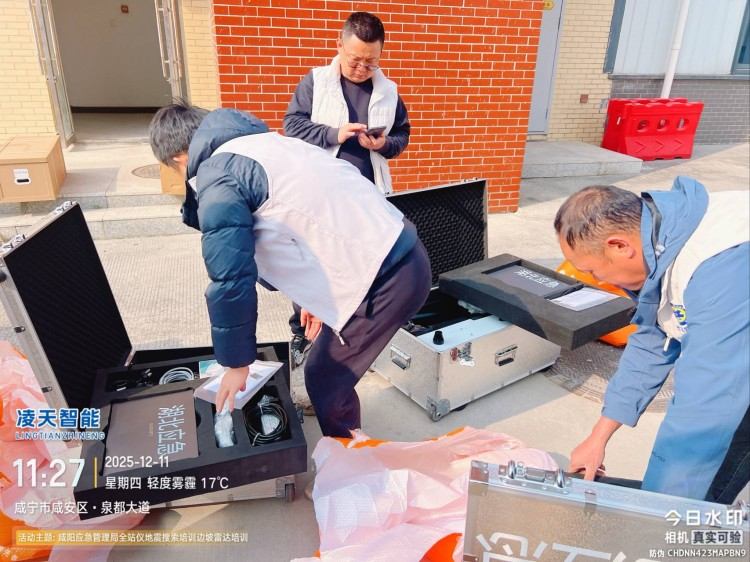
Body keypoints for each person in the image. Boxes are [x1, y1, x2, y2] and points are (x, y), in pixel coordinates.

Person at [148, 101, 431, 440]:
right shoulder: (269, 143)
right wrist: (313, 297)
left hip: (387, 277)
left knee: (325, 377)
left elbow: (230, 278)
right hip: (401, 252)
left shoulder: (217, 174)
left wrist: (237, 364)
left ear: (179, 158)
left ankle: (350, 464)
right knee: (328, 371)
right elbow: (307, 223)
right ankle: (346, 439)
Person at [554, 178, 749, 502]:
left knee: (717, 438)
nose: (597, 280)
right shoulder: (662, 241)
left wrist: (657, 514)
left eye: (594, 271)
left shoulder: (720, 268)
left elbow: (705, 406)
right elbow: (653, 339)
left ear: (619, 246)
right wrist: (598, 437)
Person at [283, 12, 412, 367]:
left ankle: (351, 329)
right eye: (355, 59)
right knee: (311, 261)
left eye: (371, 62)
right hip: (318, 194)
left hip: (366, 196)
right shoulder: (316, 82)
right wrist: (333, 134)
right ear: (339, 45)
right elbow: (292, 125)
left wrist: (384, 144)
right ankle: (302, 331)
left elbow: (402, 134)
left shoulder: (389, 91)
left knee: (360, 262)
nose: (362, 68)